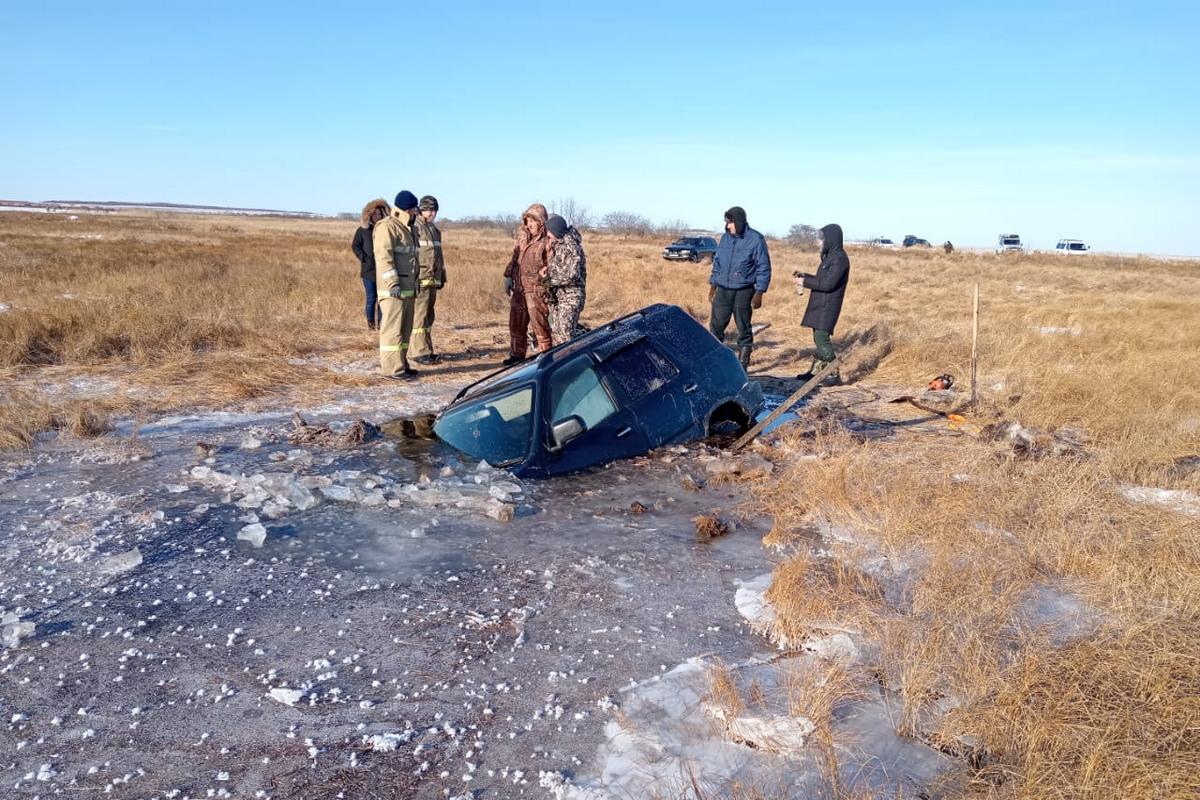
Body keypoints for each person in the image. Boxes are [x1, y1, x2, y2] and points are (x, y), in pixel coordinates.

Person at [708, 206, 772, 369]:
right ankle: (714, 364)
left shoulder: (756, 239)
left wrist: (759, 292)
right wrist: (713, 285)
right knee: (716, 327)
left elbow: (763, 267)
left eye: (730, 222)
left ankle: (743, 365)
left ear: (739, 222)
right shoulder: (725, 239)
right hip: (723, 288)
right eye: (726, 222)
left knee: (743, 327)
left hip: (744, 290)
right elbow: (718, 263)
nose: (727, 226)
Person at [794, 223, 851, 385]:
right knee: (817, 337)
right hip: (820, 304)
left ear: (831, 240)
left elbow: (828, 285)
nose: (818, 242)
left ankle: (833, 371)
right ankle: (816, 371)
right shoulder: (830, 257)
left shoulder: (840, 259)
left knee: (821, 337)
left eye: (821, 239)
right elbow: (821, 280)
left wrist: (804, 282)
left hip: (828, 306)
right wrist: (805, 277)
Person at [373, 190, 421, 380]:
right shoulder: (387, 227)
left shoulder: (409, 228)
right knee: (392, 331)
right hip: (393, 290)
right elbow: (384, 259)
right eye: (413, 209)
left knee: (404, 331)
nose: (415, 213)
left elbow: (413, 260)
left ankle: (402, 363)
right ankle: (392, 369)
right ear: (405, 209)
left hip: (408, 289)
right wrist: (393, 282)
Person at [502, 203, 551, 365]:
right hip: (519, 289)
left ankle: (547, 358)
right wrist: (508, 275)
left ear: (542, 222)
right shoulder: (522, 237)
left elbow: (552, 266)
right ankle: (516, 356)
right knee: (516, 325)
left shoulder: (547, 241)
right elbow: (514, 258)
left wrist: (546, 284)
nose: (529, 224)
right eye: (527, 220)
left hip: (536, 291)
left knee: (540, 327)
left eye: (533, 221)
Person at [411, 195, 447, 365]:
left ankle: (427, 349)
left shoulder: (434, 230)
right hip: (421, 279)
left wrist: (442, 276)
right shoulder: (414, 228)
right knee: (420, 316)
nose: (432, 213)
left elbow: (438, 256)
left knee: (429, 317)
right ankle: (419, 352)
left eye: (434, 210)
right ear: (421, 209)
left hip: (433, 279)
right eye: (429, 210)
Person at [544, 214, 586, 347]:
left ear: (556, 230)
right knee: (557, 334)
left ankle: (570, 365)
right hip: (559, 297)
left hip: (570, 298)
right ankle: (560, 362)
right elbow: (559, 268)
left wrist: (549, 281)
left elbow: (571, 275)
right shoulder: (559, 245)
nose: (547, 234)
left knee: (565, 336)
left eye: (549, 231)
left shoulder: (571, 246)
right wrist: (547, 272)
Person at [352, 198, 389, 330]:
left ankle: (381, 325)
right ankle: (371, 326)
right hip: (368, 271)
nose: (377, 217)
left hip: (383, 270)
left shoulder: (385, 229)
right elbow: (355, 246)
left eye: (379, 214)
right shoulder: (363, 230)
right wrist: (364, 258)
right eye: (374, 214)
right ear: (369, 215)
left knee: (382, 299)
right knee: (371, 299)